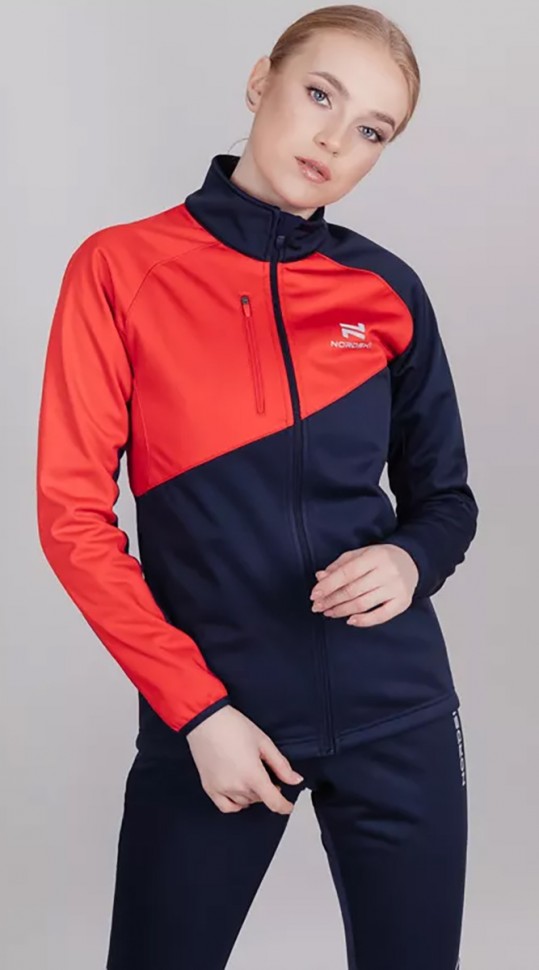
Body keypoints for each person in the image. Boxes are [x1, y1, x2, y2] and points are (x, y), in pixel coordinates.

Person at [36, 5, 477, 969]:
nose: (334, 139)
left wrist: (408, 562)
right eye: (319, 94)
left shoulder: (386, 291)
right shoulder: (120, 268)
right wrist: (197, 712)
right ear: (258, 82)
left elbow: (447, 499)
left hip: (397, 711)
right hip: (216, 716)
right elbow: (71, 520)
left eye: (371, 129)